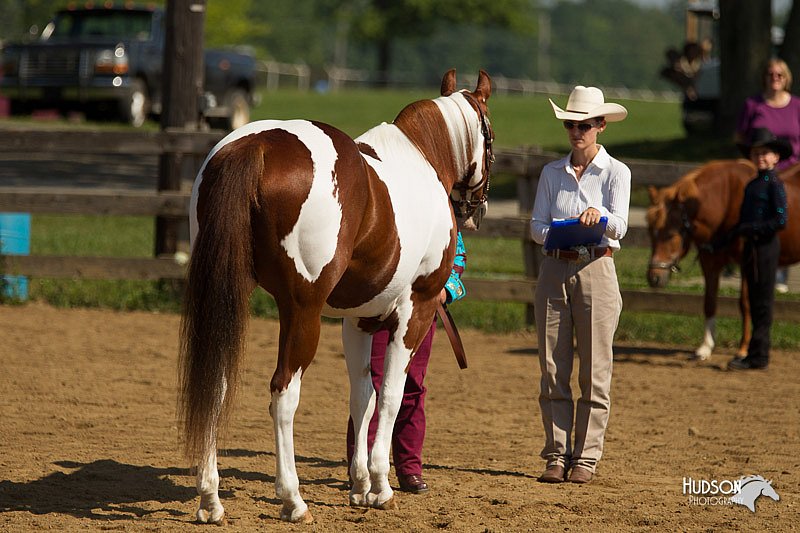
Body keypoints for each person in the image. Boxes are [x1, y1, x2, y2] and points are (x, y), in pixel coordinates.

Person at [530, 86, 630, 484]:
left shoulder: (616, 172)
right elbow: (536, 227)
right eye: (571, 125)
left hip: (597, 269)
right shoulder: (551, 173)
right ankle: (556, 453)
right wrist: (562, 230)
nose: (577, 132)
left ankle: (585, 458)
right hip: (555, 268)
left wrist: (599, 216)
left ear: (600, 126)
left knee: (595, 368)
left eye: (584, 125)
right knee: (553, 367)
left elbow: (621, 225)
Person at [346, 232, 467, 493]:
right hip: (380, 306)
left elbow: (456, 253)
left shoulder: (436, 206)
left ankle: (409, 467)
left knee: (413, 384)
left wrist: (446, 289)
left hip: (419, 309)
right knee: (374, 381)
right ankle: (361, 461)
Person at [736, 58, 800, 293]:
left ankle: (782, 268)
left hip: (792, 170)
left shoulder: (796, 106)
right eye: (771, 74)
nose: (775, 78)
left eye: (780, 75)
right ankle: (736, 255)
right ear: (764, 77)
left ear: (787, 78)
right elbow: (741, 136)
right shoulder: (753, 104)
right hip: (759, 167)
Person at [727, 128, 789, 371]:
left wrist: (752, 228)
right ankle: (754, 351)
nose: (760, 157)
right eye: (756, 153)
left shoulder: (774, 184)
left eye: (766, 153)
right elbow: (742, 220)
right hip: (751, 248)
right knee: (753, 299)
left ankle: (760, 355)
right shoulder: (752, 184)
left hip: (765, 247)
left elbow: (780, 220)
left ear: (776, 157)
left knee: (763, 302)